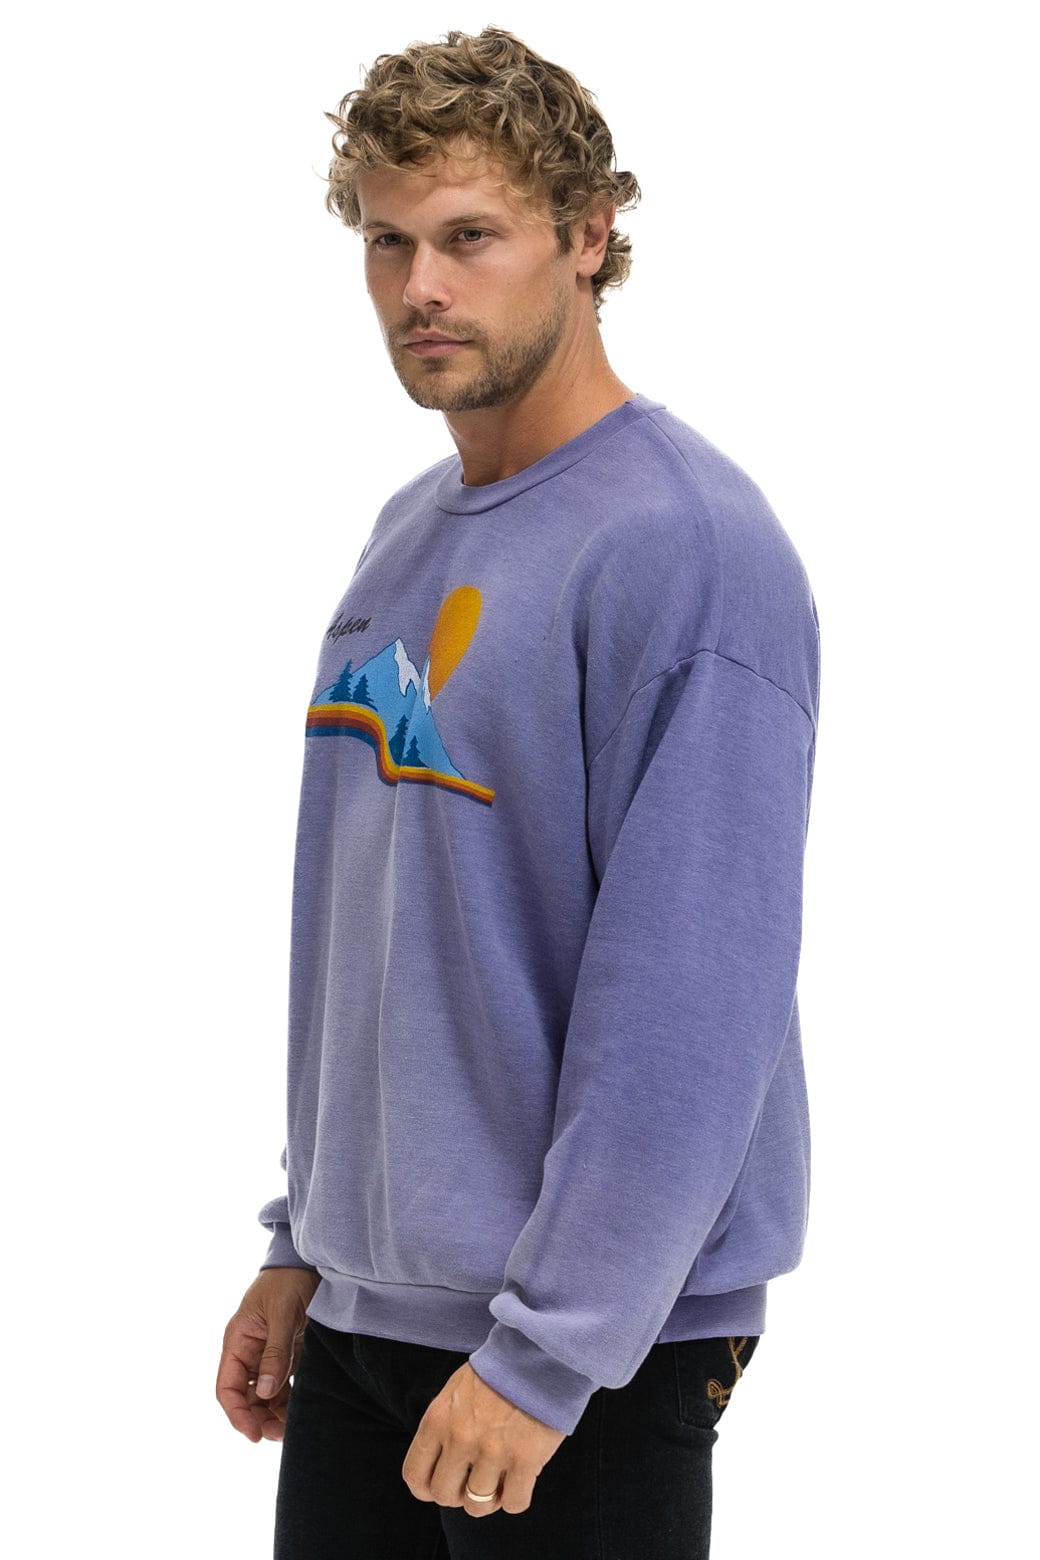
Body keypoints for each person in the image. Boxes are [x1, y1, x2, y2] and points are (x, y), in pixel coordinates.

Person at [216, 25, 821, 1559]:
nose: (420, 287)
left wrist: (549, 1353)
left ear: (588, 236)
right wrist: (306, 1241)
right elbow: (382, 932)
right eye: (388, 242)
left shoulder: (686, 548)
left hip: (577, 1353)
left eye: (470, 236)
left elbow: (695, 998)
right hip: (369, 1318)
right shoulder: (410, 533)